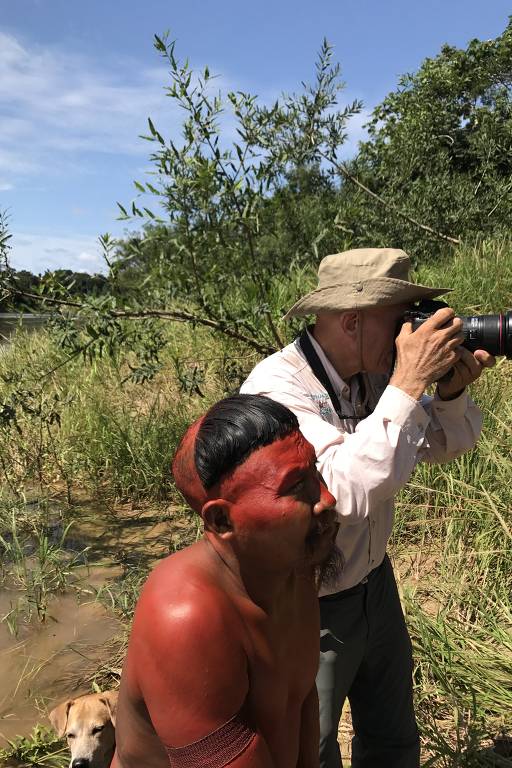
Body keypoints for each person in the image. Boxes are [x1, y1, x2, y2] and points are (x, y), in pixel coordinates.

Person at [240, 248, 495, 768]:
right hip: (308, 603)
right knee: (310, 748)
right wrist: (407, 384)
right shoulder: (279, 388)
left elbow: (448, 445)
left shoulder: (371, 372)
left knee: (392, 735)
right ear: (352, 321)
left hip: (375, 584)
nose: (411, 332)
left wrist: (446, 393)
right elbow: (342, 495)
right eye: (399, 319)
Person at [111, 393, 341, 768]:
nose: (326, 498)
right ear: (221, 521)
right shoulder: (185, 619)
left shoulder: (291, 566)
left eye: (315, 470)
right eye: (296, 486)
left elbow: (301, 700)